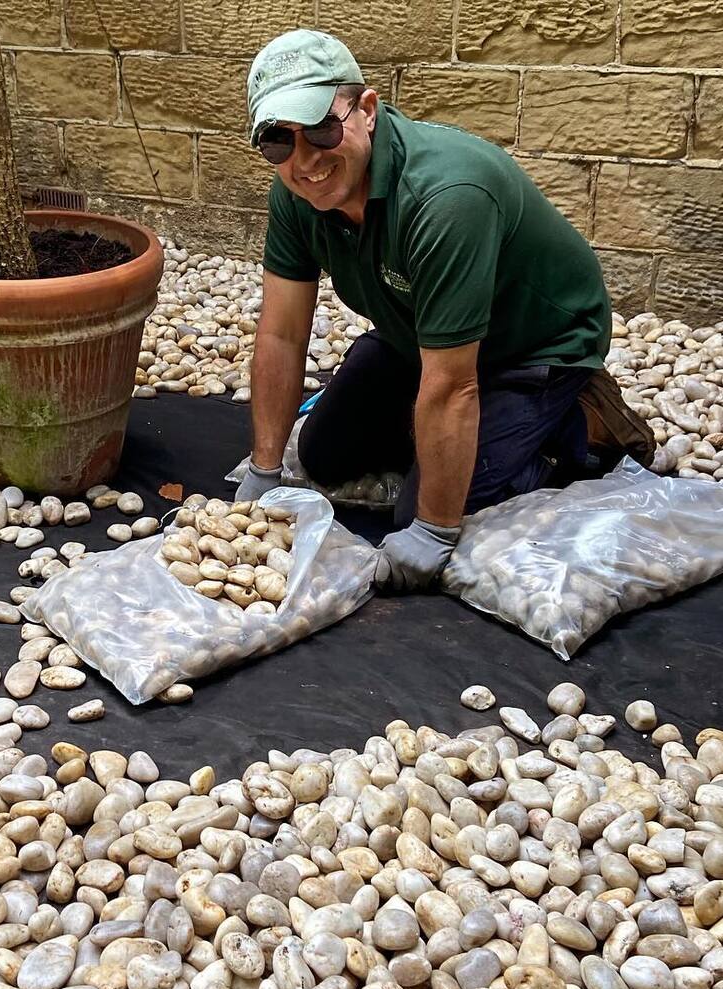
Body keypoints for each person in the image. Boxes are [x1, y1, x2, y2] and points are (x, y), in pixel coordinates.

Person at [234, 28, 653, 592]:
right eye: (278, 140)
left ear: (367, 110)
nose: (304, 159)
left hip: (531, 348)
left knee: (423, 514)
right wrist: (265, 474)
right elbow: (282, 334)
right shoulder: (295, 192)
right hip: (421, 333)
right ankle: (441, 430)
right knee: (322, 455)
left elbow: (455, 386)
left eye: (321, 127)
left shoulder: (446, 196)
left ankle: (580, 426)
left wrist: (433, 530)